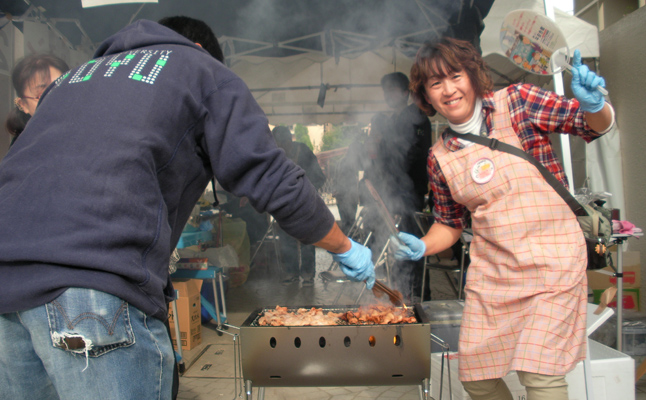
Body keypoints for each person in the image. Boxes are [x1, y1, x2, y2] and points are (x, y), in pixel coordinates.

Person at [0, 16, 374, 400]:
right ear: (202, 52)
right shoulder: (202, 70)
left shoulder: (71, 80)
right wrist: (344, 246)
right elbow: (272, 177)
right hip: (93, 284)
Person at [394, 37, 614, 400]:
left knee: (540, 377)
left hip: (553, 267)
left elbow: (591, 124)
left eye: (454, 75)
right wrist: (422, 244)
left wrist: (596, 105)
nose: (448, 90)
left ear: (473, 75)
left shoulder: (518, 102)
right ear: (426, 96)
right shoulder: (439, 156)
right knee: (478, 380)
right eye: (436, 84)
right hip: (493, 278)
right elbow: (449, 223)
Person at [360, 72, 432, 300]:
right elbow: (378, 158)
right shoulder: (387, 122)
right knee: (394, 247)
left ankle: (420, 298)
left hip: (410, 194)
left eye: (392, 90)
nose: (387, 95)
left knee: (413, 246)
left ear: (405, 93)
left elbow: (416, 155)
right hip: (389, 194)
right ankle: (401, 294)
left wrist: (386, 148)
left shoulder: (418, 117)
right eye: (385, 91)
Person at [271, 126, 327, 287]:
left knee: (307, 240)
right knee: (286, 240)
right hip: (284, 205)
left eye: (281, 143)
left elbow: (319, 177)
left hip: (306, 204)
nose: (280, 147)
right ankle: (291, 272)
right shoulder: (277, 157)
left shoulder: (303, 151)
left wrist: (306, 190)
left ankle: (308, 274)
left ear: (288, 140)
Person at [4, 54, 69, 146]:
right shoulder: (22, 150)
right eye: (43, 94)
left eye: (62, 88)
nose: (57, 97)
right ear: (23, 105)